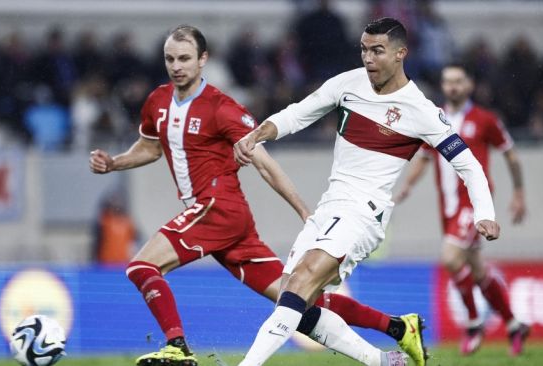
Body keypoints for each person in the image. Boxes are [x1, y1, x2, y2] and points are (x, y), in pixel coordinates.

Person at [90, 25, 418, 366]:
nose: (177, 66)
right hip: (226, 221)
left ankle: (176, 346)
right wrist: (115, 163)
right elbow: (149, 147)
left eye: (185, 58)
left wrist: (304, 211)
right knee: (296, 301)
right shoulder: (157, 100)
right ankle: (394, 333)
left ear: (203, 60)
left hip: (217, 208)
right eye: (170, 59)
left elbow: (264, 164)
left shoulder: (221, 108)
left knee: (141, 266)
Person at [234, 18, 499, 366]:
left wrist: (486, 214)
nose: (368, 58)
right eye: (364, 49)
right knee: (294, 299)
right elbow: (297, 114)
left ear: (401, 53)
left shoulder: (421, 111)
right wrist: (258, 134)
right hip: (330, 205)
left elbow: (469, 165)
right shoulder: (348, 84)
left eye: (378, 51)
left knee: (300, 284)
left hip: (363, 212)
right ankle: (384, 361)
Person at [394, 64, 530, 356]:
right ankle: (514, 324)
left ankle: (472, 324)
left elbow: (511, 155)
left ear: (469, 85)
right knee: (478, 269)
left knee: (451, 257)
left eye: (458, 81)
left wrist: (518, 192)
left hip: (473, 205)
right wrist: (408, 185)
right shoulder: (435, 118)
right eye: (447, 82)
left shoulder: (485, 120)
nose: (452, 87)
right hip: (448, 207)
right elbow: (424, 157)